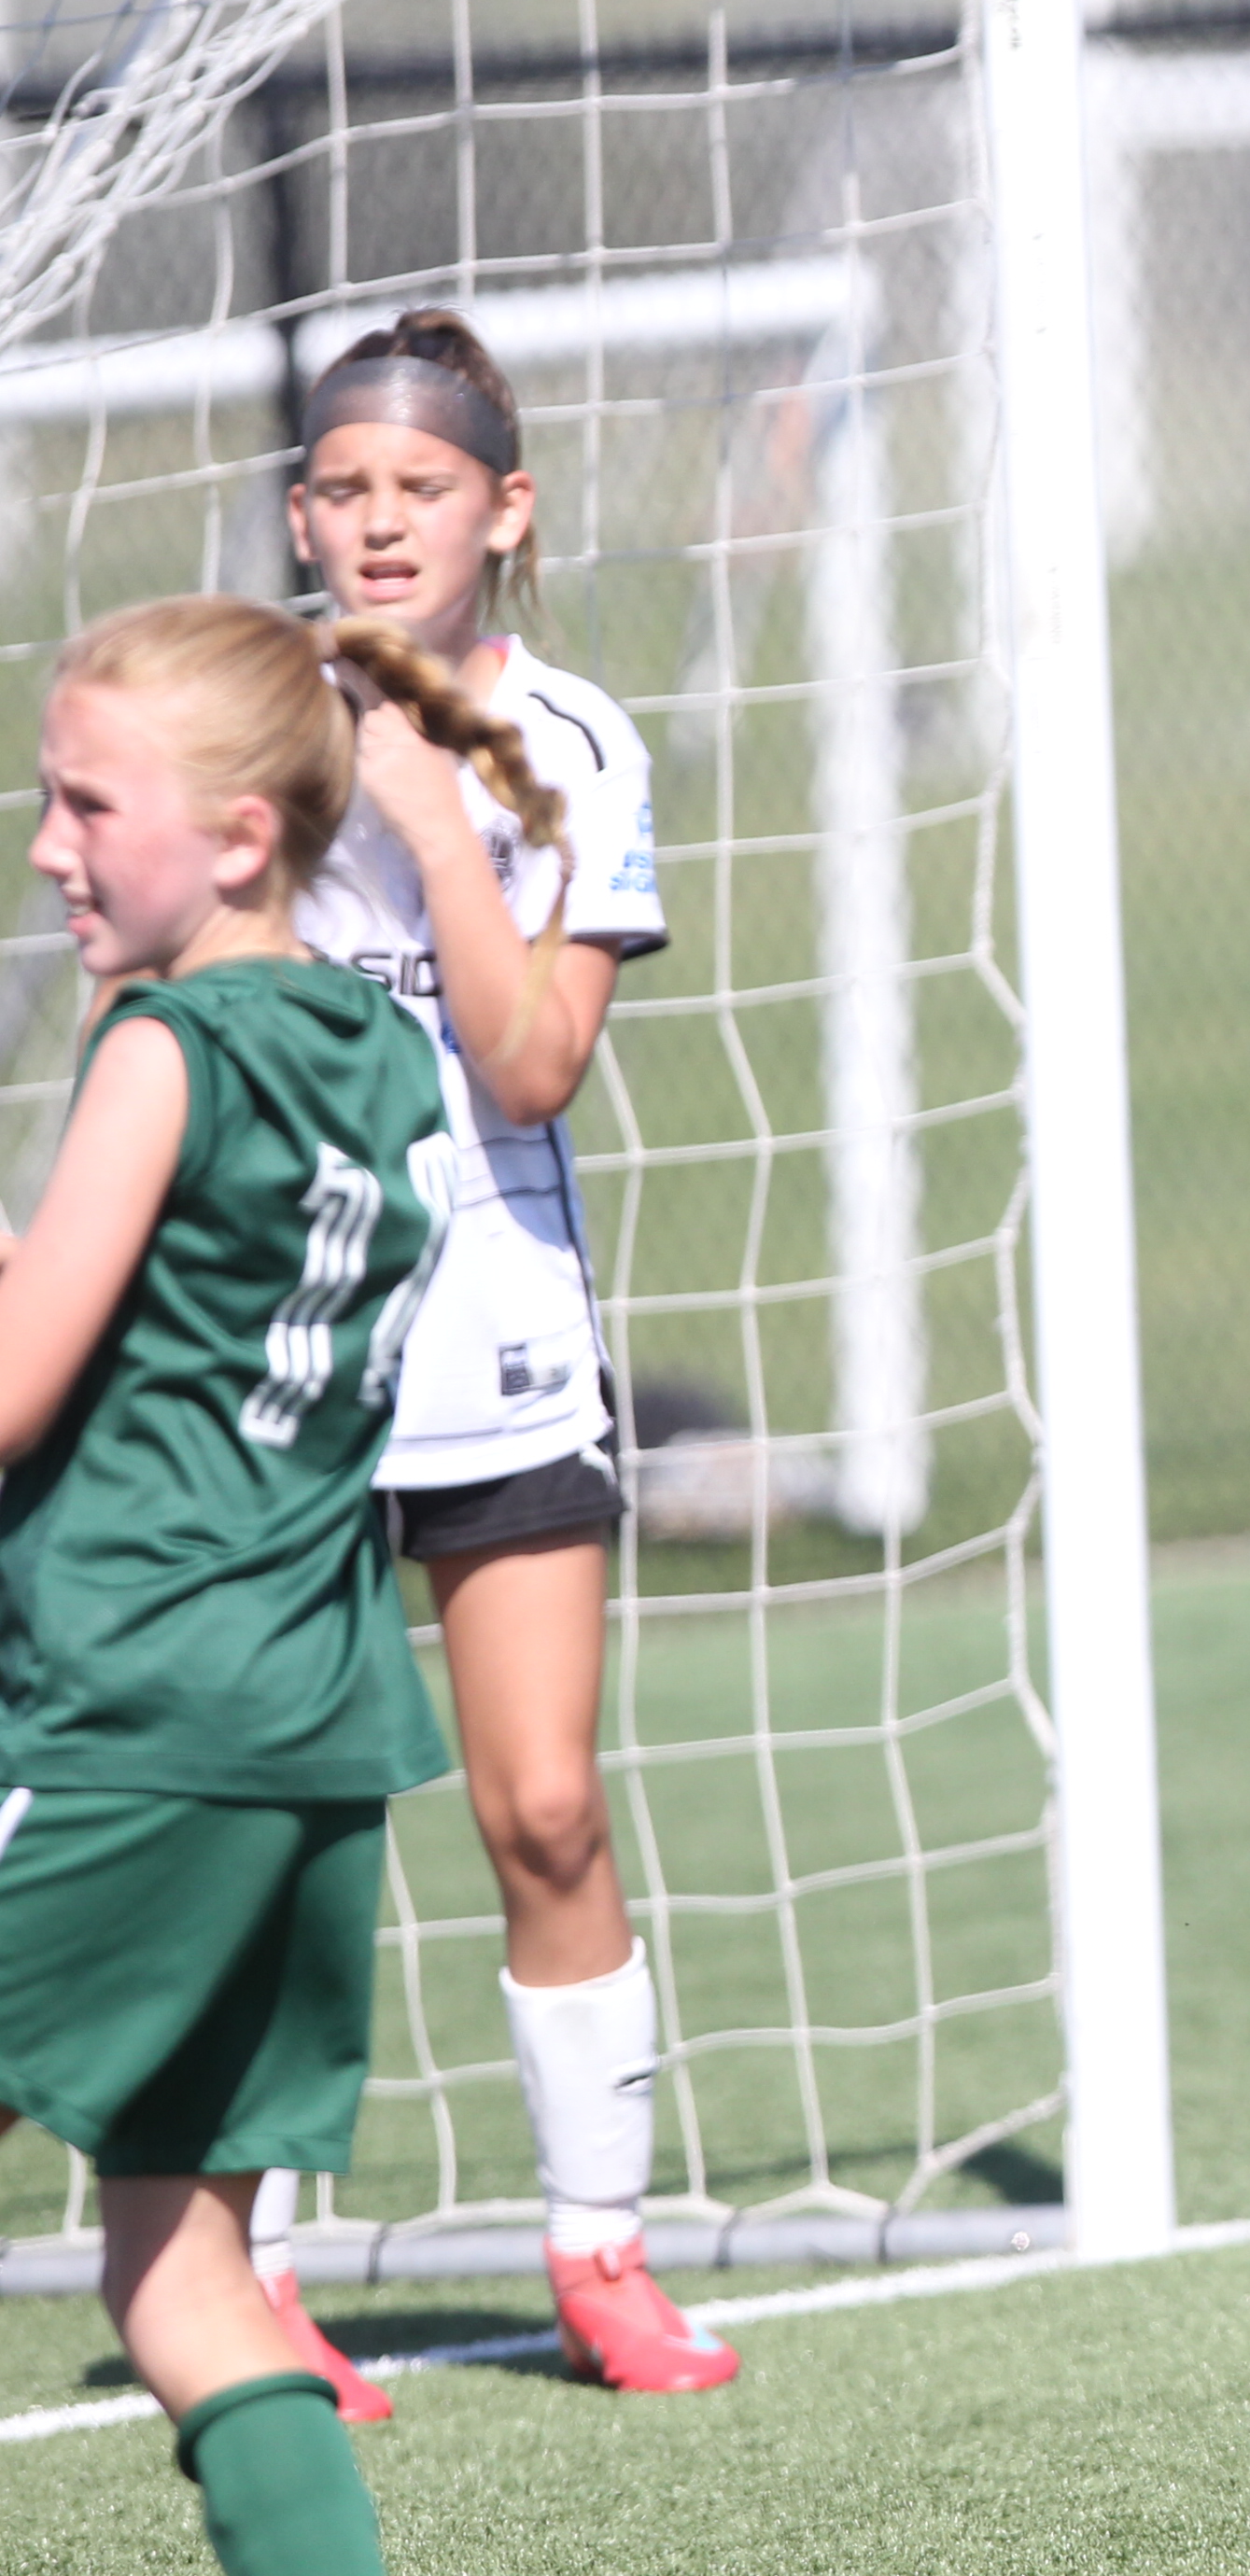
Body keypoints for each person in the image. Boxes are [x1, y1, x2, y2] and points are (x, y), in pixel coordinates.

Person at [0, 594, 513, 2576]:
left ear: (233, 835)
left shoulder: (164, 1046)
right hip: (308, 1725)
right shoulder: (374, 1047)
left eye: (83, 802)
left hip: (137, 1709)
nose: (48, 845)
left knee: (186, 2268)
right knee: (188, 2278)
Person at [252, 310, 724, 2402]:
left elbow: (531, 1067)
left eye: (422, 489)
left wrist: (433, 821)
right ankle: (252, 2272)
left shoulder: (575, 747)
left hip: (501, 1343)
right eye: (344, 489)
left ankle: (600, 2255)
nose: (381, 524)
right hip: (276, 1354)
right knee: (285, 1818)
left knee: (541, 1806)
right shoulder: (235, 713)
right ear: (299, 516)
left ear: (504, 512)